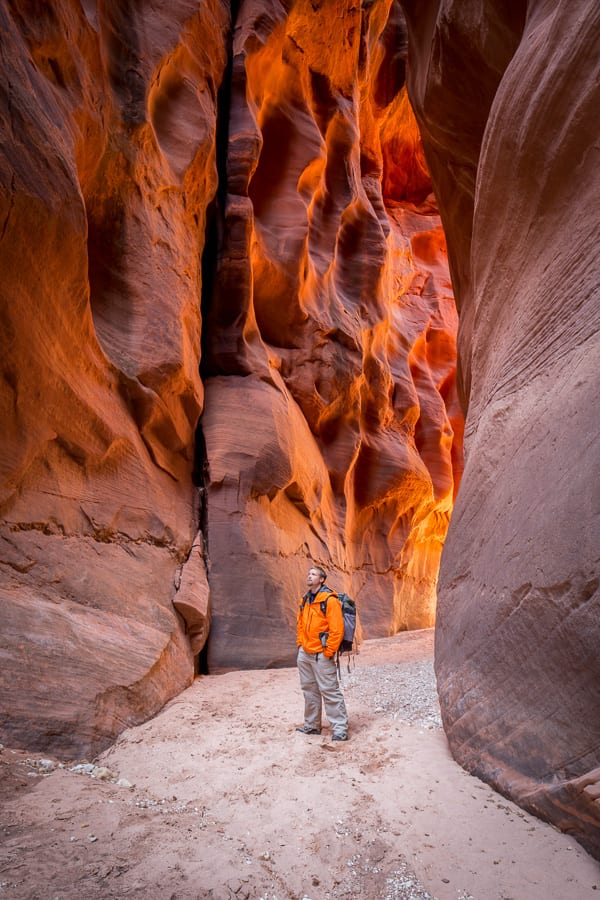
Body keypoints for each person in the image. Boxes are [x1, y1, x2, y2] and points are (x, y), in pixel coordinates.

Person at [296, 565, 349, 741]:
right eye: (308, 573)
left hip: (321, 654)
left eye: (313, 574)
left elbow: (337, 629)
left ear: (322, 579)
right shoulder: (305, 599)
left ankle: (340, 729)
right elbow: (300, 624)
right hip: (305, 653)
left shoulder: (329, 600)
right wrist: (300, 644)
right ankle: (312, 726)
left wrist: (328, 651)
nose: (309, 576)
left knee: (329, 691)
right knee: (309, 690)